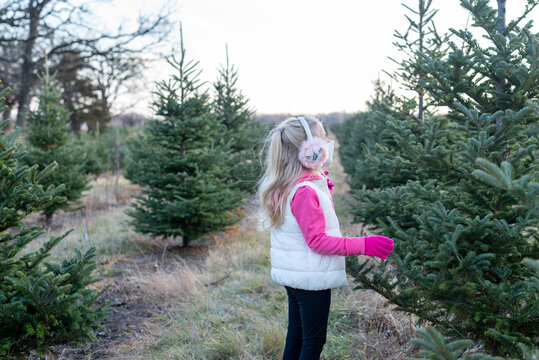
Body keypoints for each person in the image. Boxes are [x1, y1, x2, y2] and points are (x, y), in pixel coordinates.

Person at [256, 116, 395, 360]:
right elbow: (318, 241)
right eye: (322, 138)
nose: (328, 142)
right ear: (308, 149)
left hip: (296, 275)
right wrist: (363, 244)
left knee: (297, 336)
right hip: (311, 280)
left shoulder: (289, 184)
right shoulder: (305, 191)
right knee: (313, 341)